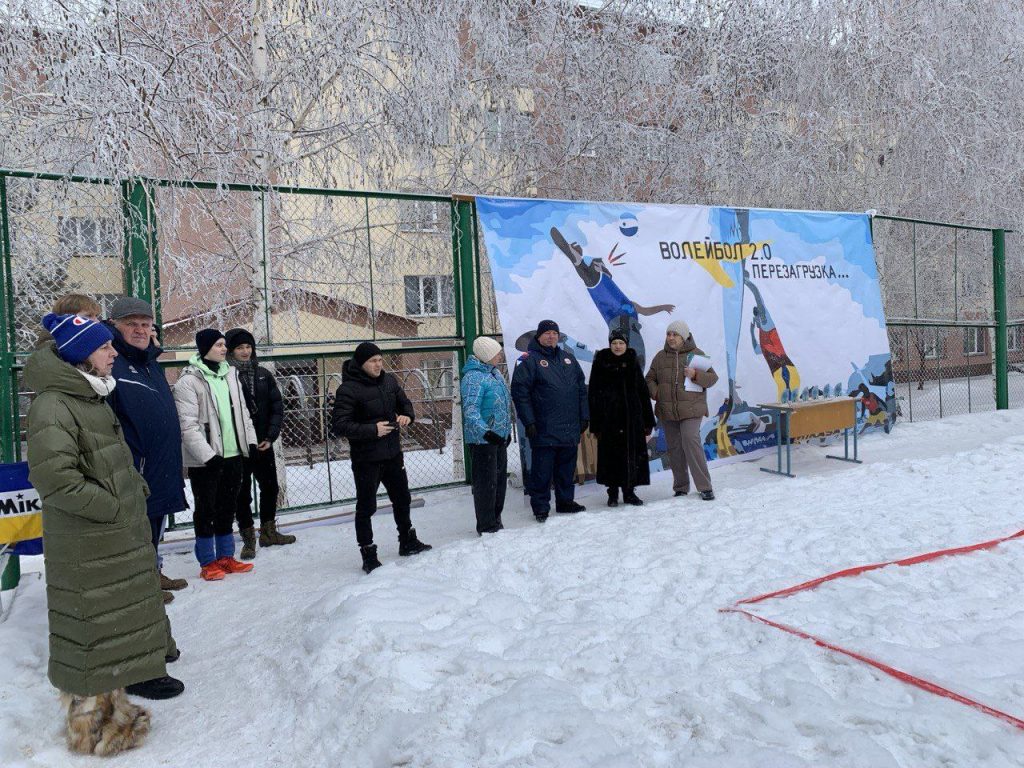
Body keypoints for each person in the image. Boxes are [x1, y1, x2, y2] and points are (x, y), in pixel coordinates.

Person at [25, 313, 184, 755]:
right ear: (81, 354)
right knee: (92, 630)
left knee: (112, 624)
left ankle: (113, 718)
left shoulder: (87, 395)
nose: (115, 351)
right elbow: (57, 479)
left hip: (107, 537)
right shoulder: (54, 405)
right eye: (104, 347)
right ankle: (91, 729)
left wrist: (135, 490)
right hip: (89, 539)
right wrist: (114, 508)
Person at [105, 297, 189, 603]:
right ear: (114, 326)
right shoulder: (112, 360)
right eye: (131, 324)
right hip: (134, 467)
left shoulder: (149, 360)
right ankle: (140, 584)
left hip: (160, 463)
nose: (140, 330)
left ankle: (153, 571)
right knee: (136, 531)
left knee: (155, 524)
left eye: (145, 324)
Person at [331, 342, 432, 573]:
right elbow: (339, 425)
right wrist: (372, 430)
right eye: (372, 361)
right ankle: (368, 553)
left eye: (379, 360)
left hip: (392, 453)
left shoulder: (389, 381)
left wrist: (408, 416)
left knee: (402, 498)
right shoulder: (348, 389)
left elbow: (405, 403)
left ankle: (407, 540)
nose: (378, 365)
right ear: (361, 364)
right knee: (366, 506)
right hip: (366, 458)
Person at [173, 329, 258, 581]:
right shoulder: (189, 381)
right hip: (207, 460)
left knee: (227, 508)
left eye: (224, 345)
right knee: (206, 510)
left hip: (233, 456)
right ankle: (208, 562)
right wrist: (208, 456)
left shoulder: (230, 375)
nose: (224, 349)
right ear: (206, 348)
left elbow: (243, 413)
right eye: (219, 345)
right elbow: (187, 425)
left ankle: (226, 557)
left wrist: (250, 443)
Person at [510, 319, 589, 522]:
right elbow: (520, 393)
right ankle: (541, 507)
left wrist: (584, 416)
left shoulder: (568, 359)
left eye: (555, 333)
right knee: (542, 472)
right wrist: (529, 421)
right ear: (539, 336)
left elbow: (581, 390)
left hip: (569, 427)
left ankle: (565, 502)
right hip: (543, 428)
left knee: (566, 470)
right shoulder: (528, 360)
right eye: (547, 333)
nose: (551, 336)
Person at [225, 328, 294, 558]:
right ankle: (248, 539)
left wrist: (270, 436)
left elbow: (277, 407)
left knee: (270, 487)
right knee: (241, 494)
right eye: (240, 348)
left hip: (264, 443)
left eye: (248, 347)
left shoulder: (263, 374)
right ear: (231, 351)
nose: (245, 352)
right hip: (240, 446)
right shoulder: (226, 376)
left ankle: (268, 531)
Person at [646, 320, 718, 501]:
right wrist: (657, 393)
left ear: (684, 336)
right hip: (668, 410)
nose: (671, 338)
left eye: (675, 334)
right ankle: (681, 487)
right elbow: (649, 379)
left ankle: (705, 486)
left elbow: (712, 379)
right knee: (675, 448)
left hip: (692, 409)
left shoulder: (697, 355)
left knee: (690, 441)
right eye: (668, 334)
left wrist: (695, 375)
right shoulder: (660, 357)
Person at [588, 328, 655, 507]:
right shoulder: (601, 363)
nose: (617, 346)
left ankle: (629, 492)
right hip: (608, 422)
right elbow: (593, 394)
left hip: (631, 421)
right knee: (611, 457)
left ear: (626, 345)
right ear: (610, 344)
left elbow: (642, 392)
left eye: (621, 343)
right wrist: (596, 425)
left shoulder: (632, 362)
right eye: (614, 343)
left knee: (630, 457)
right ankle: (612, 494)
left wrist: (648, 421)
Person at [460, 336, 513, 535]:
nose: (500, 355)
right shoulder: (473, 378)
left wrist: (504, 432)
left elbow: (502, 404)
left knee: (499, 482)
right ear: (486, 355)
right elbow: (471, 410)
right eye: (496, 353)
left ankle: (496, 519)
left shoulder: (494, 373)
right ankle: (486, 524)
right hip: (483, 440)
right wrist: (486, 432)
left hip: (498, 437)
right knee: (486, 484)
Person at [33, 293, 102, 348]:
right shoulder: (53, 344)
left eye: (96, 316)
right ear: (67, 317)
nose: (97, 322)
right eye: (88, 316)